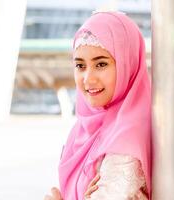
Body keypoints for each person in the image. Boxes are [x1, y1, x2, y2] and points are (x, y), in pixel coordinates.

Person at [44, 11, 152, 200]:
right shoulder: (84, 129)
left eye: (101, 64)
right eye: (80, 65)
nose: (88, 79)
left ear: (128, 64)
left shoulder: (127, 137)